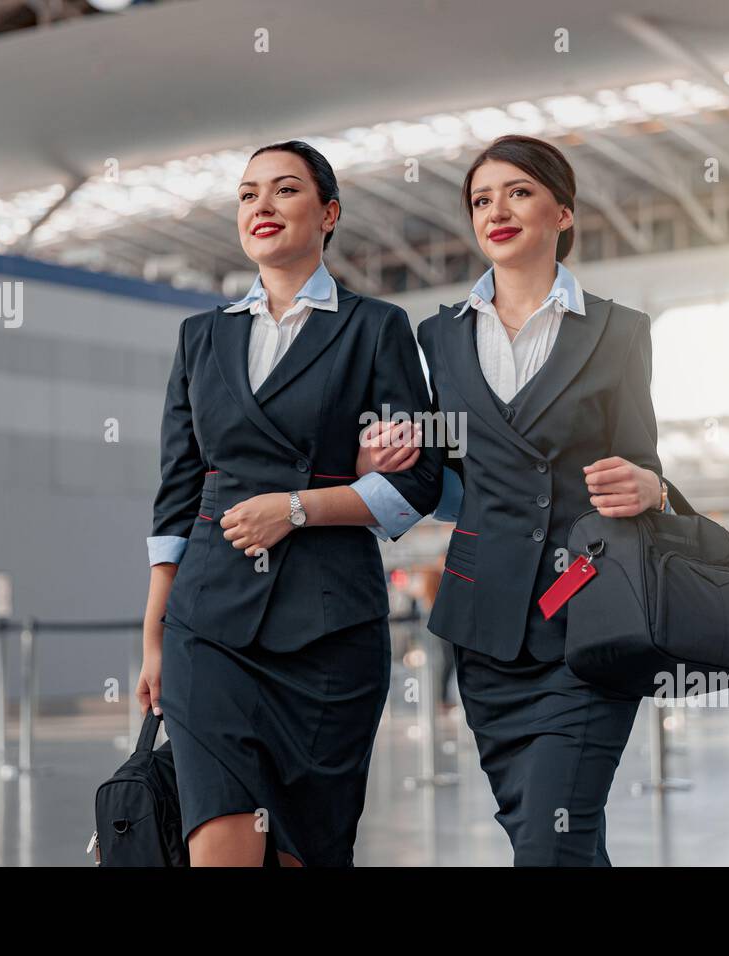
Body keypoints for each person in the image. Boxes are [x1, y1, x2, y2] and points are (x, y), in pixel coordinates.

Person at [359, 134, 693, 865]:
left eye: (517, 192)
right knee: (548, 835)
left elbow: (642, 463)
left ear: (563, 213)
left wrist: (650, 487)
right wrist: (390, 453)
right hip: (486, 629)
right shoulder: (439, 337)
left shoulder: (617, 331)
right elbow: (448, 485)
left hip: (589, 620)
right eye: (482, 199)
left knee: (550, 839)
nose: (496, 210)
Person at [136, 141, 442, 866]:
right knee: (220, 844)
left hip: (329, 628)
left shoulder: (375, 328)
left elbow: (417, 481)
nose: (261, 207)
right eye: (247, 195)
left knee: (309, 848)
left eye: (283, 190)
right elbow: (177, 493)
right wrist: (153, 636)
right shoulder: (201, 337)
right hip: (209, 628)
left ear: (328, 213)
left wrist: (297, 507)